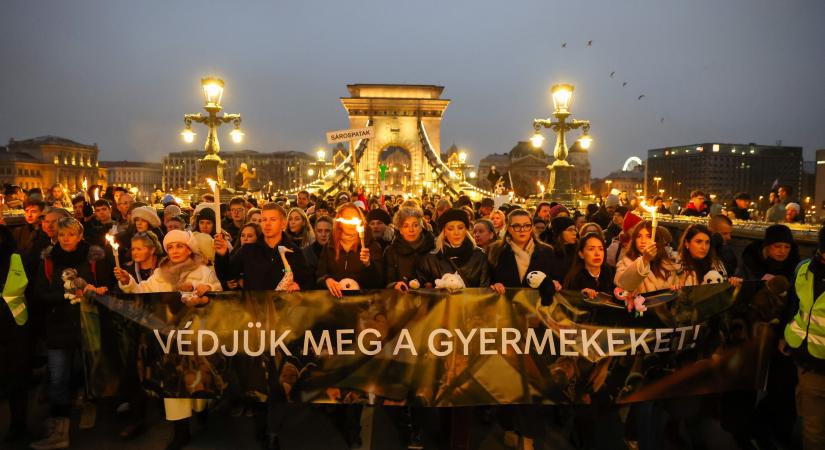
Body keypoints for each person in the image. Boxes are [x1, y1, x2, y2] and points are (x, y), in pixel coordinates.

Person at [114, 230, 221, 450]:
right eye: (170, 247)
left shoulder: (204, 270)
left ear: (189, 248)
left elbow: (219, 294)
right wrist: (129, 282)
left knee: (198, 383)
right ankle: (180, 432)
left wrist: (206, 289)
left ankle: (203, 411)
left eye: (179, 246)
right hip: (168, 339)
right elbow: (144, 292)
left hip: (195, 337)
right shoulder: (160, 273)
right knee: (174, 384)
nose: (174, 251)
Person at [30, 218, 113, 450]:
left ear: (80, 236)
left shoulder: (94, 258)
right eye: (62, 234)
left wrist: (93, 292)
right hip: (59, 325)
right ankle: (60, 429)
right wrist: (66, 295)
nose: (66, 239)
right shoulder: (48, 260)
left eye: (71, 234)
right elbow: (40, 292)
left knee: (88, 372)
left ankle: (90, 407)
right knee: (58, 378)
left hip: (88, 323)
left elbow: (105, 285)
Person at [116, 231, 163, 440]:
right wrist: (124, 282)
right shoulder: (125, 269)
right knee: (137, 371)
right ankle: (137, 418)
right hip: (136, 328)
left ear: (152, 250)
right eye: (133, 248)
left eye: (139, 248)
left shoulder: (164, 268)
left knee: (162, 370)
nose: (134, 252)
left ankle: (166, 409)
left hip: (161, 329)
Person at [783, 225, 825, 450]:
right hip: (809, 363)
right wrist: (786, 336)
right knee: (813, 430)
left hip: (811, 359)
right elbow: (794, 306)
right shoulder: (803, 269)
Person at [0, 225, 30, 443]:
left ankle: (18, 425)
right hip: (14, 326)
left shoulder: (16, 259)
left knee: (15, 379)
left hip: (13, 326)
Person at [489, 209, 560, 302]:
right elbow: (488, 280)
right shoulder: (496, 250)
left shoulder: (546, 251)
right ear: (509, 228)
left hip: (537, 307)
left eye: (526, 225)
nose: (522, 230)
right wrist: (494, 285)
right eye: (517, 226)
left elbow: (553, 278)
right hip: (506, 305)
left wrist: (554, 283)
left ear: (531, 227)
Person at [317, 203, 384, 298]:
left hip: (362, 302)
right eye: (347, 218)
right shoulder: (330, 245)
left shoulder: (371, 245)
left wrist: (368, 265)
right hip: (335, 302)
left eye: (354, 218)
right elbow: (319, 274)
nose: (350, 221)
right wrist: (326, 280)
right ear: (340, 221)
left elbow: (378, 282)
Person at [417, 208, 490, 288]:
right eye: (450, 229)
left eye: (460, 228)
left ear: (466, 230)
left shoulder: (479, 256)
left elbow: (485, 289)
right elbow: (419, 284)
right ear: (444, 232)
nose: (456, 233)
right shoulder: (431, 259)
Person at [615, 220, 679, 293]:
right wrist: (644, 260)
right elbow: (624, 285)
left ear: (656, 240)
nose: (643, 241)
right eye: (639, 236)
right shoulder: (626, 262)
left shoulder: (667, 265)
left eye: (648, 236)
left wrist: (674, 289)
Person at [383, 206, 435, 291]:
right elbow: (387, 280)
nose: (411, 230)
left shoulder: (432, 247)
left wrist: (432, 284)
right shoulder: (391, 251)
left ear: (421, 227)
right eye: (406, 226)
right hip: (402, 299)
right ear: (400, 230)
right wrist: (394, 285)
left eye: (415, 225)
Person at [676, 224, 741, 287]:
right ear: (687, 243)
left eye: (707, 242)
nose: (704, 247)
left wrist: (732, 283)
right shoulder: (677, 265)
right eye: (699, 242)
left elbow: (721, 289)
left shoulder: (716, 263)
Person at [302, 215, 333, 282]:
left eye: (327, 231)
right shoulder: (306, 253)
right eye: (319, 231)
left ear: (333, 232)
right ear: (315, 231)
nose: (323, 234)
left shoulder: (338, 252)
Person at [549, 216, 578, 281]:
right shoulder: (550, 252)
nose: (574, 233)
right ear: (559, 232)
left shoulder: (578, 250)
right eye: (570, 230)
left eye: (575, 229)